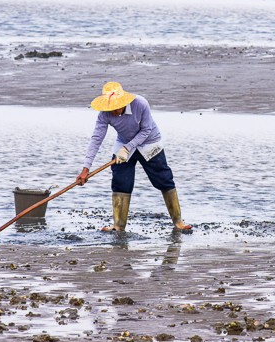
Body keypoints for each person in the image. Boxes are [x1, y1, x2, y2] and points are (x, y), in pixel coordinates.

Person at [75, 82, 191, 232]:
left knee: (164, 179)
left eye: (115, 108)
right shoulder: (104, 113)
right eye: (109, 108)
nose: (112, 112)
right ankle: (118, 226)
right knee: (120, 181)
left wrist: (127, 148)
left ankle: (178, 222)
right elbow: (96, 139)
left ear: (123, 102)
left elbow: (146, 130)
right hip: (124, 143)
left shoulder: (140, 104)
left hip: (149, 143)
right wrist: (86, 168)